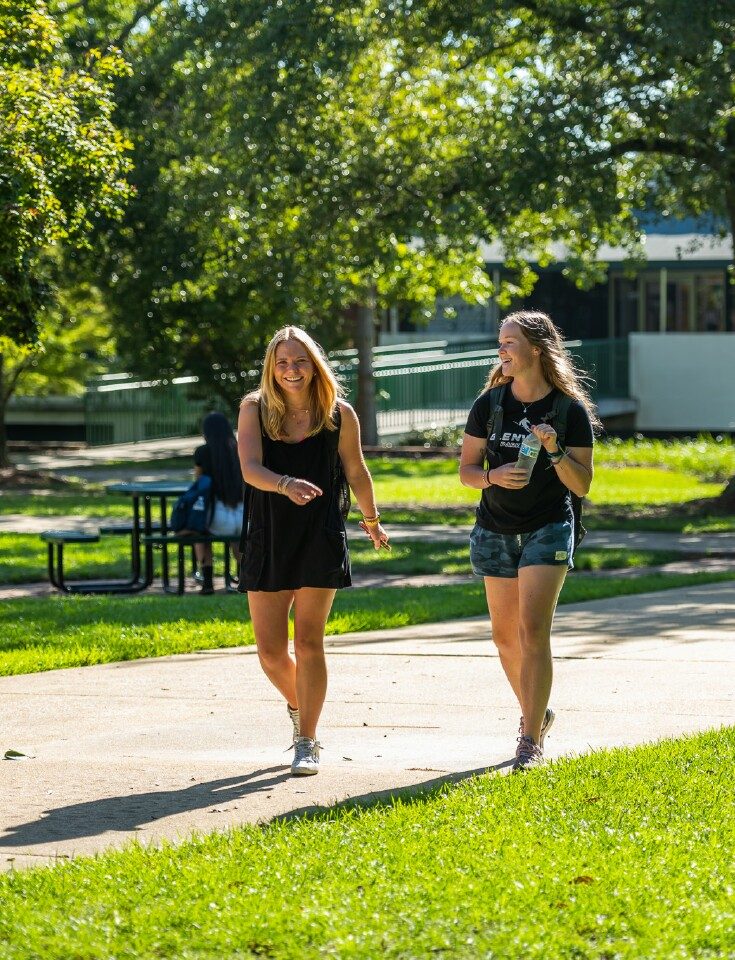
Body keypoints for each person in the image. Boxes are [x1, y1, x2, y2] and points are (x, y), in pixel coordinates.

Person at [237, 326, 389, 776]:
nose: (291, 371)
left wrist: (372, 522)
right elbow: (248, 469)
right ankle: (301, 706)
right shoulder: (254, 410)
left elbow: (357, 472)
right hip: (268, 534)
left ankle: (308, 738)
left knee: (308, 642)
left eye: (300, 361)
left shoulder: (339, 415)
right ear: (271, 368)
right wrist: (284, 485)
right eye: (282, 363)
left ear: (315, 365)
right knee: (269, 651)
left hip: (320, 535)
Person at [459, 310, 599, 771]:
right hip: (495, 526)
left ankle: (529, 739)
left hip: (547, 526)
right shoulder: (490, 405)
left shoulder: (568, 410)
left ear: (536, 349)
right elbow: (466, 472)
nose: (501, 351)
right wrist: (492, 476)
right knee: (504, 638)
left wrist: (555, 448)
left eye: (510, 343)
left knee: (532, 631)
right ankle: (538, 713)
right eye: (500, 342)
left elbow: (581, 486)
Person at [193, 412, 244, 595]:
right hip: (243, 516)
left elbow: (199, 483)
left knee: (200, 532)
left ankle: (207, 580)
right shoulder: (240, 450)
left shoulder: (203, 452)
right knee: (238, 540)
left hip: (217, 516)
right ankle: (242, 576)